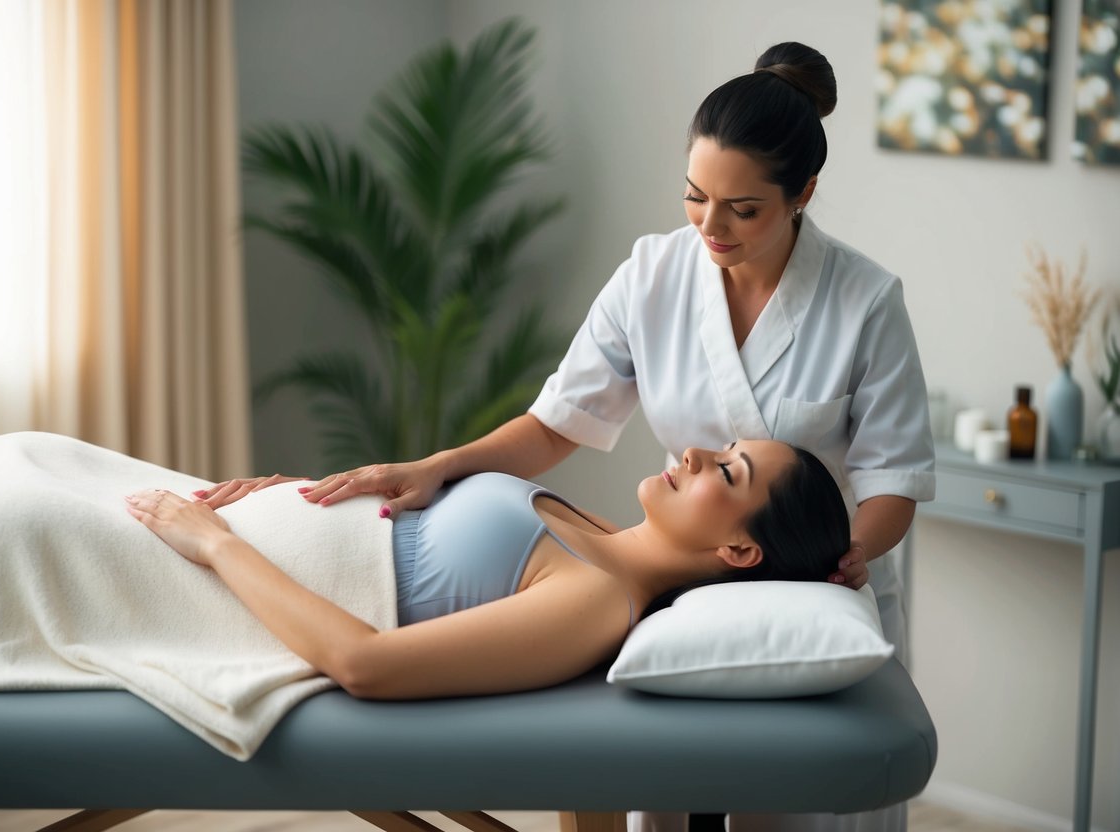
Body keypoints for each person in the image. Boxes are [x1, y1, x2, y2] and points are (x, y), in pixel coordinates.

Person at [205, 41, 934, 830]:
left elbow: (892, 477)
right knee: (668, 802)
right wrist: (434, 466)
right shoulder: (654, 274)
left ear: (802, 195)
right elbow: (556, 426)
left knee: (796, 816)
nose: (709, 227)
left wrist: (845, 555)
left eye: (742, 209)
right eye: (694, 197)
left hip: (809, 576)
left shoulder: (862, 301)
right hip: (694, 571)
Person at [130, 438, 847, 699]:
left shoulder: (597, 599)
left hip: (188, 567)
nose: (691, 453)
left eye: (725, 470)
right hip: (197, 522)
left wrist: (217, 545)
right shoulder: (600, 532)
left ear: (740, 553)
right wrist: (294, 497)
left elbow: (364, 664)